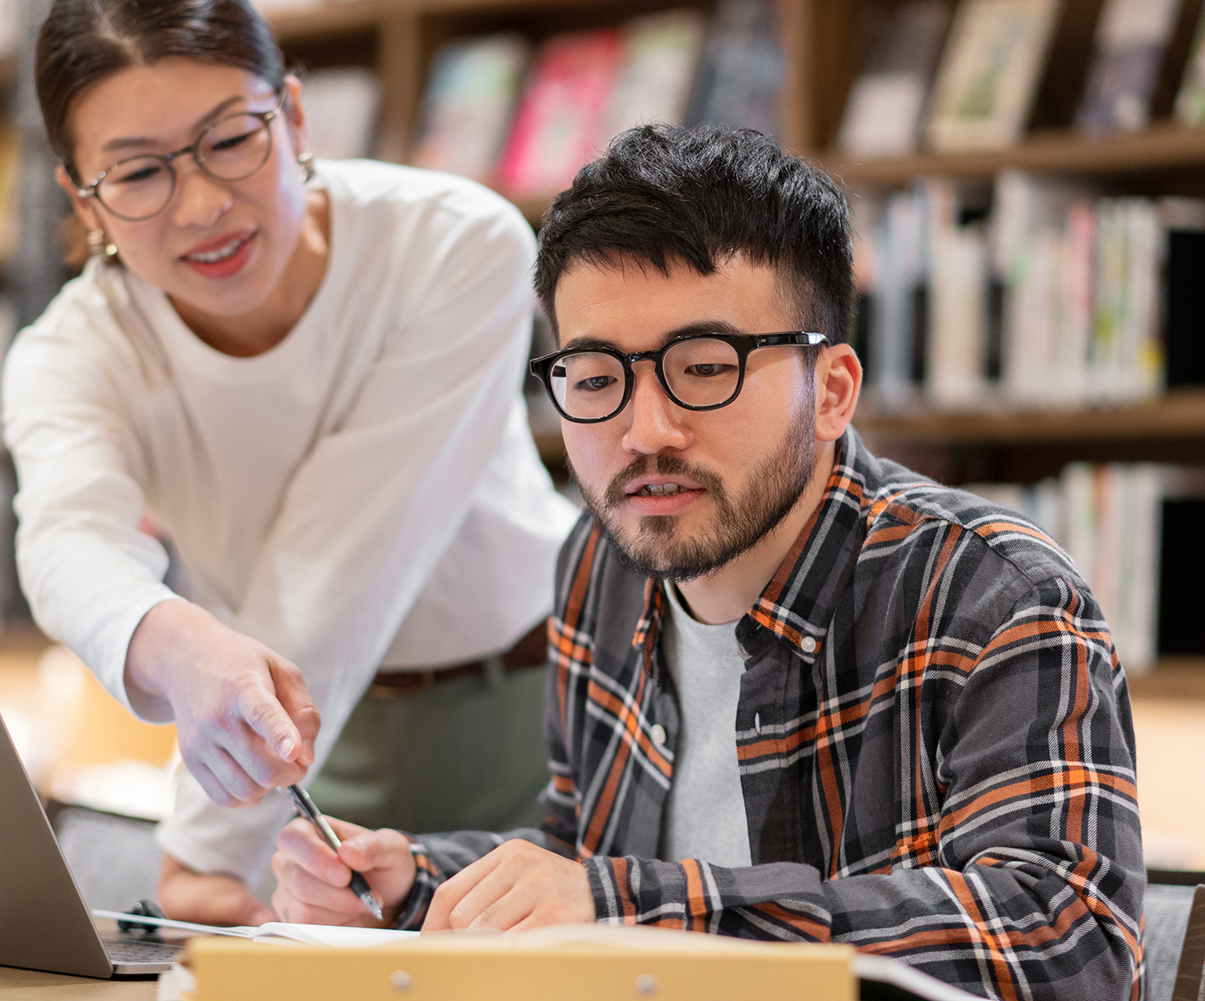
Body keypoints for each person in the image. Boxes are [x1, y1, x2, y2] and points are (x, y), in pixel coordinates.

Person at [269, 125, 1145, 1001]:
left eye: (704, 366)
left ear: (832, 389)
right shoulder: (598, 564)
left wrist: (627, 909)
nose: (645, 432)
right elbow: (587, 859)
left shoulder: (996, 594)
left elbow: (1065, 940)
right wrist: (414, 883)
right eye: (597, 376)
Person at [3, 0, 576, 925]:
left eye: (231, 140)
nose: (202, 206)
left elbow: (347, 554)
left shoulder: (455, 244)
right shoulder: (73, 351)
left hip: (533, 713)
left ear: (296, 117)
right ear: (82, 198)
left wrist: (199, 844)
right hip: (302, 743)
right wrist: (175, 638)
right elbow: (67, 539)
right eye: (138, 172)